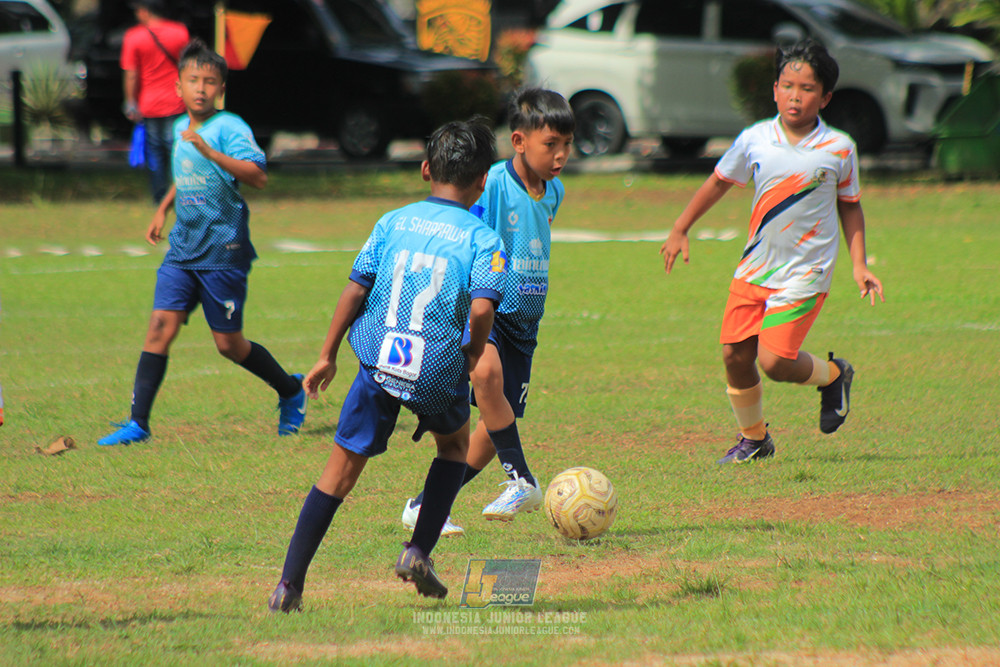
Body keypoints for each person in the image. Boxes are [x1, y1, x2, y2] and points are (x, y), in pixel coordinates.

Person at [267, 118, 505, 612]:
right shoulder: (483, 239)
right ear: (483, 181)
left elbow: (356, 287)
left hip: (379, 361)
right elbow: (482, 307)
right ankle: (418, 549)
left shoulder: (392, 221)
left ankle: (288, 586)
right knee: (455, 446)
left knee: (338, 473)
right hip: (439, 368)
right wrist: (476, 349)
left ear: (424, 170)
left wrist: (327, 354)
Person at [661, 40, 884, 465]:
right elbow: (719, 182)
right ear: (774, 89)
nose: (795, 96)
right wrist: (680, 227)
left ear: (825, 97)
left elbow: (850, 205)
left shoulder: (838, 148)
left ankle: (835, 375)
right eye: (787, 85)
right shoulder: (755, 139)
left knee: (776, 361)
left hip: (806, 271)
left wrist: (859, 264)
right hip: (755, 266)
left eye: (806, 88)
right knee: (734, 355)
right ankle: (755, 438)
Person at [98, 39, 306, 447]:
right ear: (178, 86)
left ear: (221, 90)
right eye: (192, 80)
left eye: (210, 82)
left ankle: (290, 390)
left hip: (222, 250)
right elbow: (186, 171)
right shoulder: (180, 127)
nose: (200, 88)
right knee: (160, 326)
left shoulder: (230, 128)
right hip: (183, 248)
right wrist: (163, 208)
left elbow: (257, 176)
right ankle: (138, 423)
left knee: (229, 345)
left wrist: (212, 151)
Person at [401, 88, 575, 534]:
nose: (560, 156)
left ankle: (424, 506)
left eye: (566, 145)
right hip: (488, 307)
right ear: (519, 142)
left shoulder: (553, 190)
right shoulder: (495, 182)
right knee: (485, 375)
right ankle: (523, 479)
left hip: (524, 321)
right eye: (550, 144)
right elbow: (464, 227)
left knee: (489, 431)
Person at [120, 0, 189, 203]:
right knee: (176, 149)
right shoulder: (180, 32)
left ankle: (160, 196)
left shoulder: (134, 36)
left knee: (155, 153)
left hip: (149, 104)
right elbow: (187, 66)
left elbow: (131, 74)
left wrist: (130, 101)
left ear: (144, 11)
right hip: (177, 101)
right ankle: (181, 193)